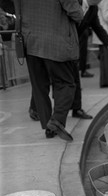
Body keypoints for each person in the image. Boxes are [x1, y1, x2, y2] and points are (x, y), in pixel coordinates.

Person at [14, 0, 83, 141]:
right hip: (56, 42)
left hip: (30, 42)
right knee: (66, 83)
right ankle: (56, 121)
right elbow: (77, 13)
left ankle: (48, 127)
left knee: (39, 86)